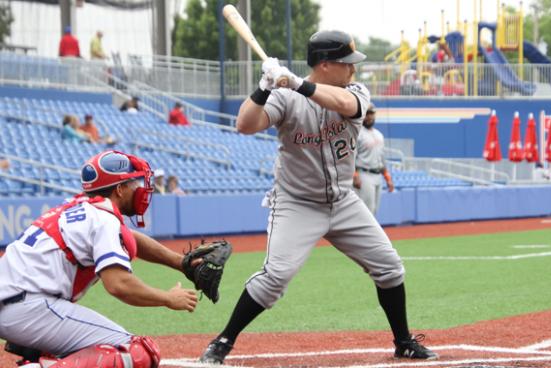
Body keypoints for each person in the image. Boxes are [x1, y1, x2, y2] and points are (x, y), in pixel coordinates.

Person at [199, 30, 438, 364]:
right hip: (296, 203)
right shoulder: (284, 97)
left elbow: (345, 105)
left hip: (342, 201)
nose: (353, 70)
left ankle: (403, 341)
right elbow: (245, 124)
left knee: (389, 267)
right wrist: (264, 87)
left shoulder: (354, 91)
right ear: (325, 64)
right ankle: (222, 341)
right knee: (275, 278)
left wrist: (297, 82)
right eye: (346, 64)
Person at [0, 150, 198, 367]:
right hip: (28, 307)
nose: (139, 189)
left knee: (88, 351)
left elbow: (129, 238)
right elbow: (118, 285)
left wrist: (180, 263)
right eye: (133, 183)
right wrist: (168, 298)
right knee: (137, 352)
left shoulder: (78, 207)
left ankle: (39, 356)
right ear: (120, 189)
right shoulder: (104, 220)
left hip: (16, 303)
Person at [353, 104, 394, 215]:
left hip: (377, 175)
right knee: (366, 211)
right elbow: (351, 157)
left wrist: (388, 178)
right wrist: (355, 175)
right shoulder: (357, 133)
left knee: (374, 211)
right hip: (364, 173)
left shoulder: (379, 134)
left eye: (372, 113)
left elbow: (381, 159)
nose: (369, 116)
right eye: (367, 113)